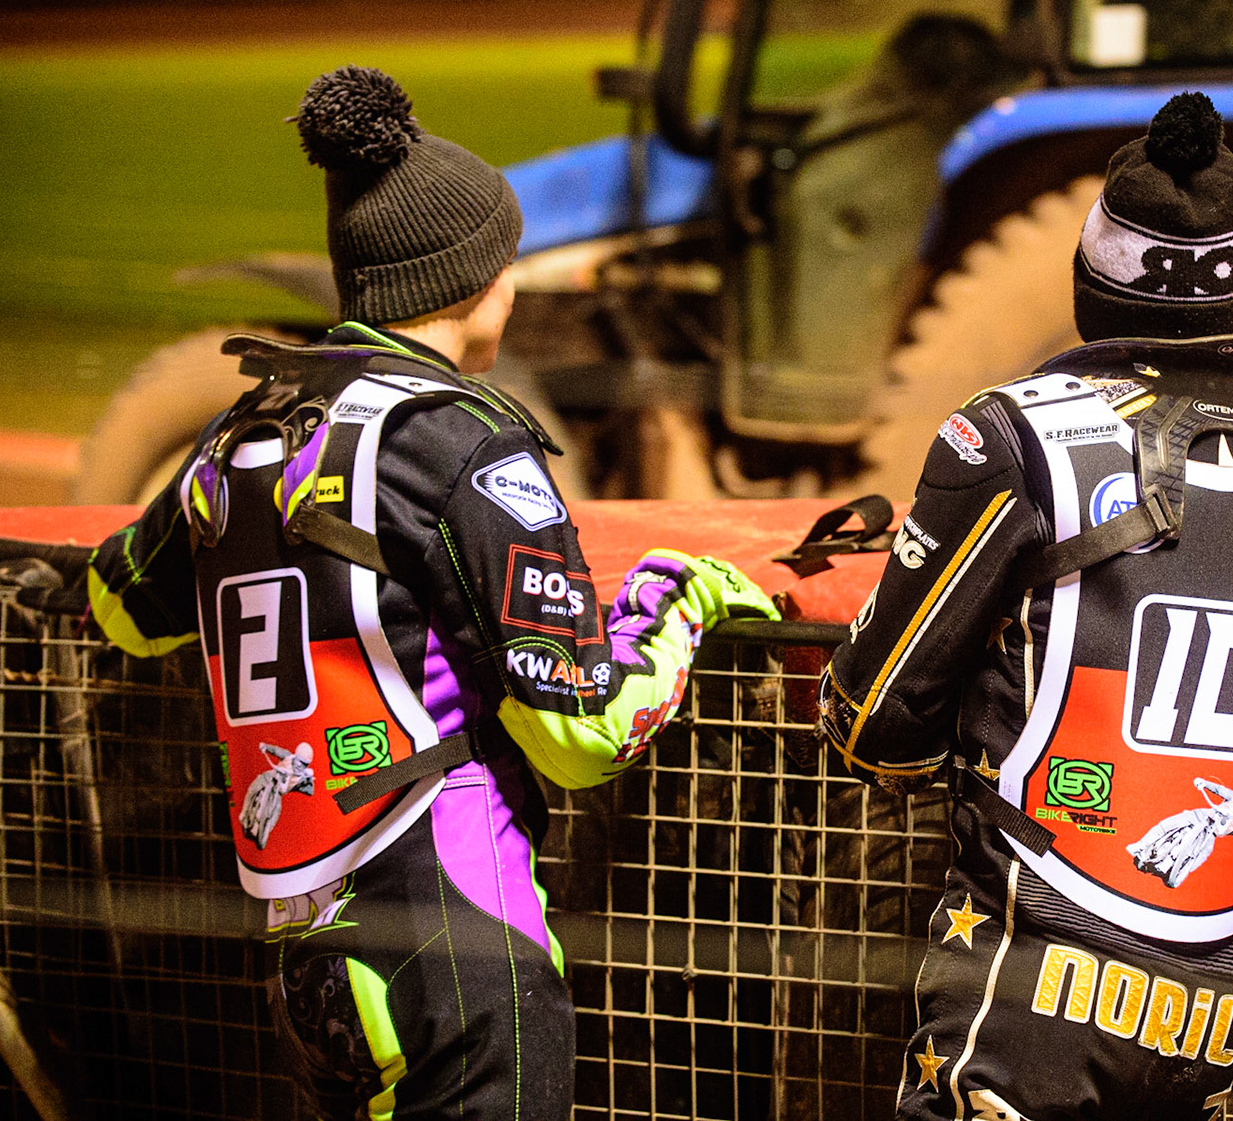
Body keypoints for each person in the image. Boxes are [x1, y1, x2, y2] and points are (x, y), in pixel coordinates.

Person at [85, 66, 778, 1120]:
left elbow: (122, 608)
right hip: (460, 946)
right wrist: (679, 602)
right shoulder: (460, 441)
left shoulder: (238, 434)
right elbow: (580, 733)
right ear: (483, 279)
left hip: (309, 957)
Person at [818, 91, 1233, 1119]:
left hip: (1023, 995)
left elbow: (876, 720)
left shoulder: (1009, 438)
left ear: (1090, 283)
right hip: (1212, 1010)